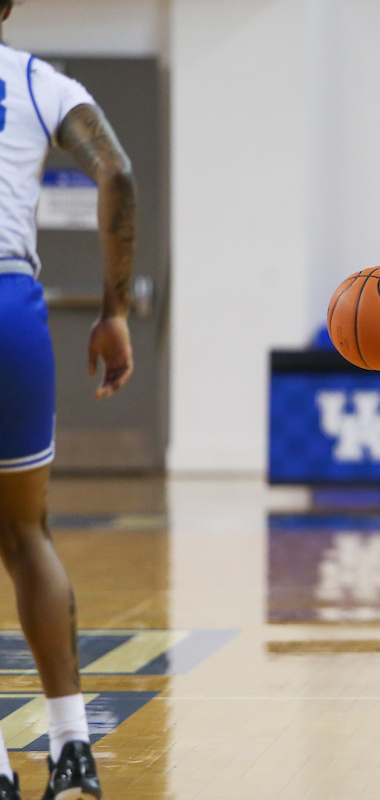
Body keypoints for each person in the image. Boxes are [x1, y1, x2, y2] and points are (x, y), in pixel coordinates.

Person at [0, 2, 136, 797]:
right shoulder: (36, 80)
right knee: (26, 532)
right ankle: (73, 749)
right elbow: (117, 170)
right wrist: (115, 312)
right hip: (10, 305)